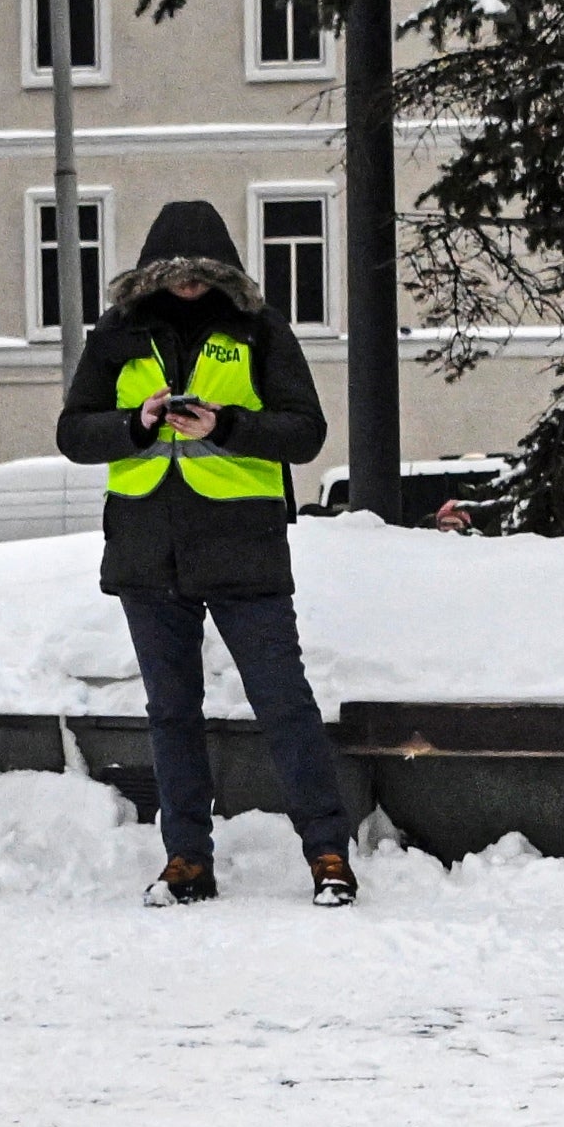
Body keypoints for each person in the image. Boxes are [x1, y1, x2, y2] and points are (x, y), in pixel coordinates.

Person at [57, 202, 357, 906]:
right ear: (152, 277)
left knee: (285, 706)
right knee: (172, 713)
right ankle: (186, 858)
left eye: (201, 275)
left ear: (223, 276)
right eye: (174, 274)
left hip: (243, 552)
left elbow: (305, 432)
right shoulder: (119, 335)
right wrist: (136, 423)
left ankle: (329, 854)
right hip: (146, 553)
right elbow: (74, 433)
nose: (188, 286)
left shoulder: (258, 330)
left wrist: (226, 425)